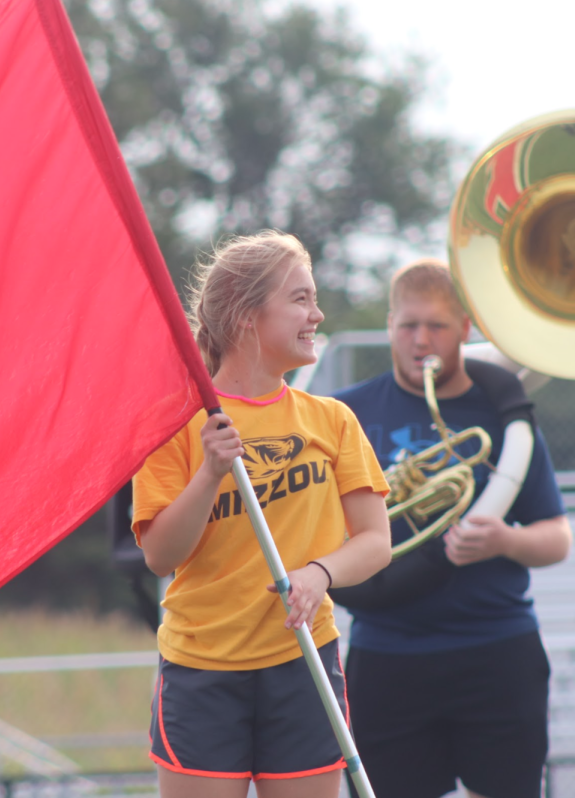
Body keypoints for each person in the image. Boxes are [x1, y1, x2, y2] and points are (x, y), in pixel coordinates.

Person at [130, 231, 392, 798]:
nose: (317, 314)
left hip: (302, 660)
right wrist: (209, 473)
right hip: (202, 669)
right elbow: (159, 555)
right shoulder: (177, 426)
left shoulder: (333, 420)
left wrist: (319, 574)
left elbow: (375, 541)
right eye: (300, 299)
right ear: (248, 316)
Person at [331, 259, 572, 798]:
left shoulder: (505, 417)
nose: (421, 341)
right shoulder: (346, 413)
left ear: (465, 329)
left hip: (497, 650)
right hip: (385, 654)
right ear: (389, 326)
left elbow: (557, 536)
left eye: (436, 326)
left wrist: (504, 541)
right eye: (407, 326)